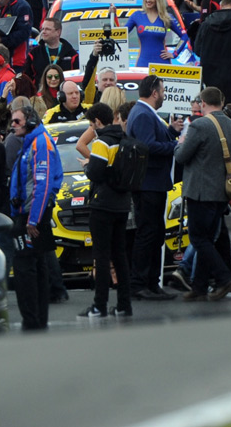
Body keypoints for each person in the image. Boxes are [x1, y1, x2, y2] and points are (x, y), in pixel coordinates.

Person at [174, 86, 231, 300]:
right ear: (221, 103)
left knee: (199, 238)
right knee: (208, 239)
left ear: (203, 103)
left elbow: (181, 157)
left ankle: (225, 279)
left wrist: (179, 144)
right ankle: (200, 287)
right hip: (223, 192)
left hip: (200, 192)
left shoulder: (200, 126)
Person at [8, 102, 62, 331]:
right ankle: (36, 320)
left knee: (26, 267)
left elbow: (43, 182)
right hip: (29, 212)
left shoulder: (40, 142)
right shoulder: (33, 141)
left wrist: (33, 219)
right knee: (36, 266)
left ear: (30, 120)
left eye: (17, 121)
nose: (13, 125)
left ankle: (32, 320)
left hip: (32, 215)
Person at [126, 75, 180, 300]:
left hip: (153, 183)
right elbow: (147, 145)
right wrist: (175, 145)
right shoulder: (143, 114)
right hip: (148, 184)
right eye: (163, 90)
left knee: (155, 233)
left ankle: (151, 283)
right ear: (155, 92)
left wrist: (172, 132)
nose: (165, 95)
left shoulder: (146, 114)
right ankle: (140, 284)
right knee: (148, 233)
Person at [82, 102, 133, 318]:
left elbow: (95, 172)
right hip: (123, 204)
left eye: (92, 124)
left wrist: (87, 165)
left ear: (98, 122)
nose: (92, 129)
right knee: (120, 255)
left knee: (101, 256)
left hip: (103, 204)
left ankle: (99, 305)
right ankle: (124, 304)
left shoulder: (102, 142)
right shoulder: (125, 139)